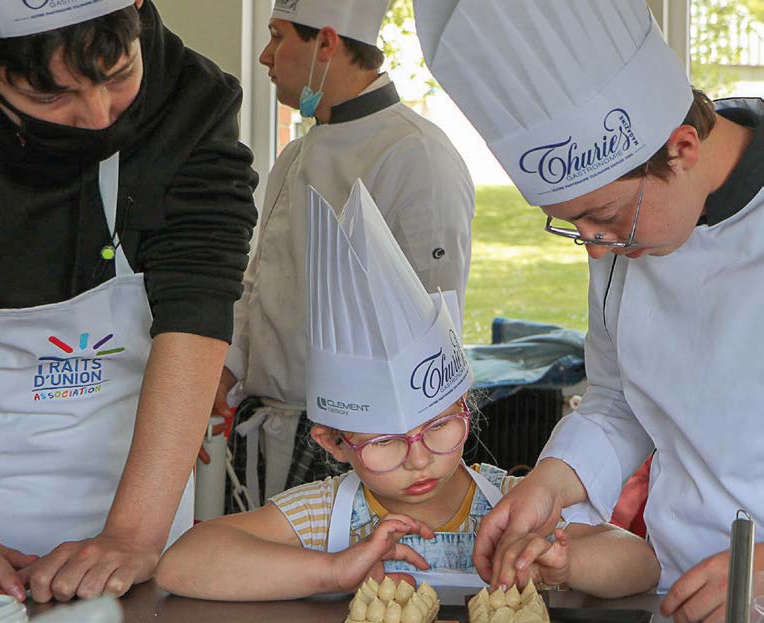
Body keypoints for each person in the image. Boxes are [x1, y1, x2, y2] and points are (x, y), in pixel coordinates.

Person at [415, 0, 764, 620]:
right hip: (673, 594)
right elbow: (618, 399)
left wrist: (759, 571)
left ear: (682, 148)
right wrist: (548, 484)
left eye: (602, 218)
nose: (597, 246)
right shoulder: (624, 235)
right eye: (571, 225)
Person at [155, 181, 658, 601]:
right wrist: (333, 570)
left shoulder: (511, 503)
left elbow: (640, 565)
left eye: (439, 428)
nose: (418, 460)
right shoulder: (321, 515)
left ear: (467, 410)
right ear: (332, 441)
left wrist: (565, 561)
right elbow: (181, 565)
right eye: (385, 443)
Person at [0, 0, 257, 603]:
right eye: (51, 97)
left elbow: (196, 310)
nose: (99, 117)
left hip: (126, 504)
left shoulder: (191, 101)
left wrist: (133, 534)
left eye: (118, 73)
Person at [214, 0, 476, 509]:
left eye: (278, 36)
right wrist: (221, 373)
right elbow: (259, 283)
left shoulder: (417, 154)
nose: (266, 56)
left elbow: (432, 329)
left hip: (357, 449)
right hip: (267, 432)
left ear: (327, 43)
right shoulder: (295, 153)